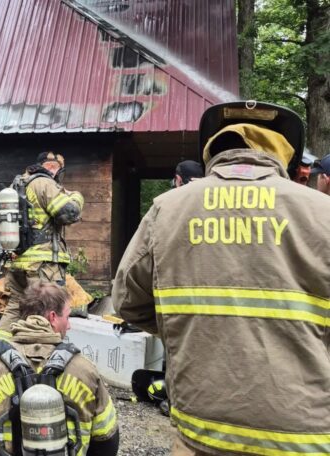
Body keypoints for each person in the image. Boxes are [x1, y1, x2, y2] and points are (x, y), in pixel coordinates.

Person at [112, 101, 330, 455]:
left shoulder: (167, 209)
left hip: (200, 432)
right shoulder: (322, 212)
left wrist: (191, 327)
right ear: (284, 153)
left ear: (212, 150)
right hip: (304, 436)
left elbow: (126, 301)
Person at [0, 282, 119, 456]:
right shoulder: (85, 370)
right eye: (67, 317)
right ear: (53, 317)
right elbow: (106, 442)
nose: (69, 325)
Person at [0, 152, 84, 341]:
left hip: (19, 263)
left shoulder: (17, 184)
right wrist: (77, 197)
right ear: (51, 167)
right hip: (42, 265)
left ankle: (0, 349)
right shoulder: (44, 183)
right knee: (47, 312)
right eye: (59, 169)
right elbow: (69, 213)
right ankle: (40, 354)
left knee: (14, 309)